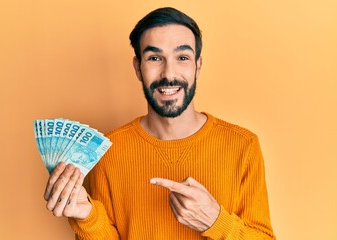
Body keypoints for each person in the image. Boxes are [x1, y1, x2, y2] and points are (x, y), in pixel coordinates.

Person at [44, 7, 276, 239]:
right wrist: (88, 218)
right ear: (138, 67)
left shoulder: (243, 145)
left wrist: (215, 221)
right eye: (155, 58)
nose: (169, 73)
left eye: (182, 58)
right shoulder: (108, 150)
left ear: (198, 65)